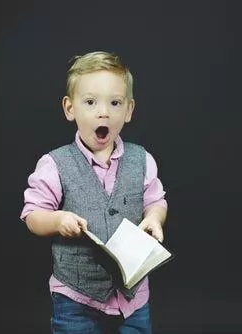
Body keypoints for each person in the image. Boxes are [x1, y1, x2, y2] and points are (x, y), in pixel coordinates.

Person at [20, 51, 168, 333]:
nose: (104, 112)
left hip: (132, 297)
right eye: (90, 102)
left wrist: (154, 218)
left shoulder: (142, 160)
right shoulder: (55, 164)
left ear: (128, 110)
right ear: (69, 108)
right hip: (76, 297)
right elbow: (32, 215)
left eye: (115, 103)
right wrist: (57, 220)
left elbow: (156, 200)